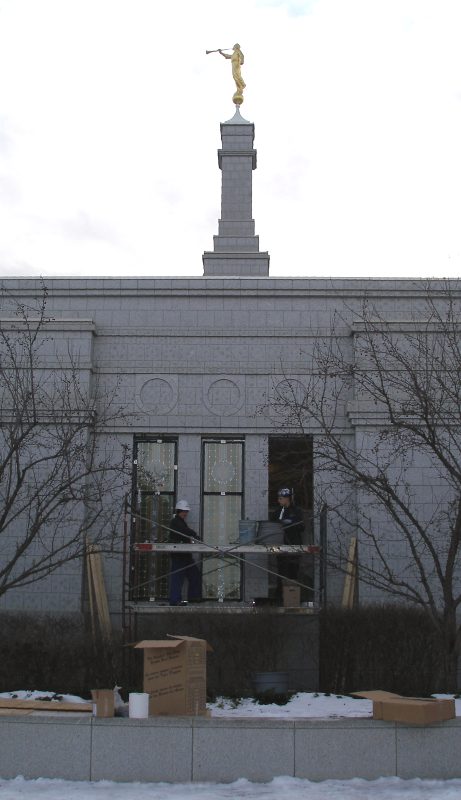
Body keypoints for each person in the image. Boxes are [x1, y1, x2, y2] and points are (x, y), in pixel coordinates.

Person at [168, 500, 202, 606]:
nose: (185, 513)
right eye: (183, 511)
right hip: (179, 555)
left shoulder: (181, 521)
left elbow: (185, 531)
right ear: (178, 511)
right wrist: (194, 534)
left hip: (185, 554)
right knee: (177, 578)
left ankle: (193, 597)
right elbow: (183, 531)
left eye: (186, 511)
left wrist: (192, 536)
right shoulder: (175, 521)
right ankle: (175, 601)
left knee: (194, 574)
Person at [275, 487, 304, 601]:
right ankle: (280, 597)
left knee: (293, 570)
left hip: (293, 544)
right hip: (280, 545)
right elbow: (273, 525)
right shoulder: (278, 511)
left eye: (281, 498)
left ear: (287, 499)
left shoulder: (296, 511)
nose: (279, 501)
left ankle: (292, 598)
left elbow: (302, 526)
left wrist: (291, 523)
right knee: (281, 571)